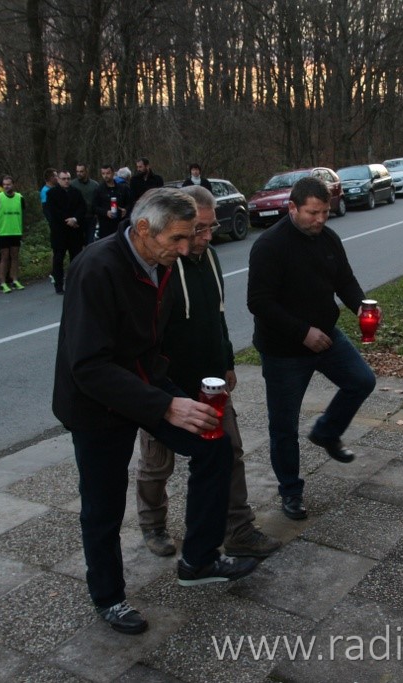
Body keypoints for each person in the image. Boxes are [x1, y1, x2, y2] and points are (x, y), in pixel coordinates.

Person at [52, 187, 259, 636]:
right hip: (95, 404)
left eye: (190, 236)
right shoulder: (96, 267)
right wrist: (165, 405)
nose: (185, 249)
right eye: (177, 238)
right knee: (103, 505)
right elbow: (88, 366)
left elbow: (148, 342)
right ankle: (108, 597)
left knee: (214, 446)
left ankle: (199, 560)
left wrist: (175, 392)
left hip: (144, 382)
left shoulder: (158, 261)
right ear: (144, 228)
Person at [135, 185, 281, 559]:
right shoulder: (163, 264)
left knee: (228, 452)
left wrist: (227, 361)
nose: (205, 237)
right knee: (157, 464)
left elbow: (218, 314)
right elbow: (146, 334)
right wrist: (156, 390)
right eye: (198, 229)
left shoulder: (211, 258)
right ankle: (153, 524)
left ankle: (239, 528)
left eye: (209, 227)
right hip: (166, 385)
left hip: (210, 382)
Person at [247, 176, 377, 520]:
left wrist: (362, 306)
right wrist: (303, 332)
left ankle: (326, 432)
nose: (320, 219)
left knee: (361, 380)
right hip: (283, 350)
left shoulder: (328, 238)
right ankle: (291, 491)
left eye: (325, 212)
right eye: (312, 213)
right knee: (284, 427)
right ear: (292, 208)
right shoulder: (270, 246)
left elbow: (344, 280)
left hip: (326, 338)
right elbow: (258, 302)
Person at [46, 170, 86, 294]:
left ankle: (75, 283)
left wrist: (75, 219)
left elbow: (82, 208)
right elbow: (53, 212)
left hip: (75, 231)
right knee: (58, 259)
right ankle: (58, 285)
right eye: (63, 179)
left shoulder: (76, 192)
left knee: (76, 259)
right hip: (59, 232)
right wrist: (67, 220)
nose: (66, 181)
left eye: (68, 178)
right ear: (58, 179)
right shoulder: (52, 193)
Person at [0, 176, 26, 293]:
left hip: (15, 231)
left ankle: (14, 280)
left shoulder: (20, 197)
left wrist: (22, 228)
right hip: (2, 232)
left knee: (15, 256)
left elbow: (23, 213)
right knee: (4, 257)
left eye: (8, 184)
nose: (6, 186)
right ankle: (2, 282)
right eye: (4, 184)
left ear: (13, 184)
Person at [93, 164, 131, 240]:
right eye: (103, 173)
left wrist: (126, 210)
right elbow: (94, 207)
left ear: (113, 173)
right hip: (105, 226)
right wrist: (106, 212)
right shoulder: (99, 189)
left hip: (120, 224)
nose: (105, 176)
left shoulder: (122, 188)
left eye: (108, 173)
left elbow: (130, 203)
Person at [70, 163, 100, 244]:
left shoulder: (94, 185)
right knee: (77, 243)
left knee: (90, 242)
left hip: (91, 217)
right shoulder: (72, 185)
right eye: (77, 171)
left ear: (86, 171)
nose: (79, 173)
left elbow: (98, 200)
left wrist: (97, 214)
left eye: (81, 171)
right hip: (77, 218)